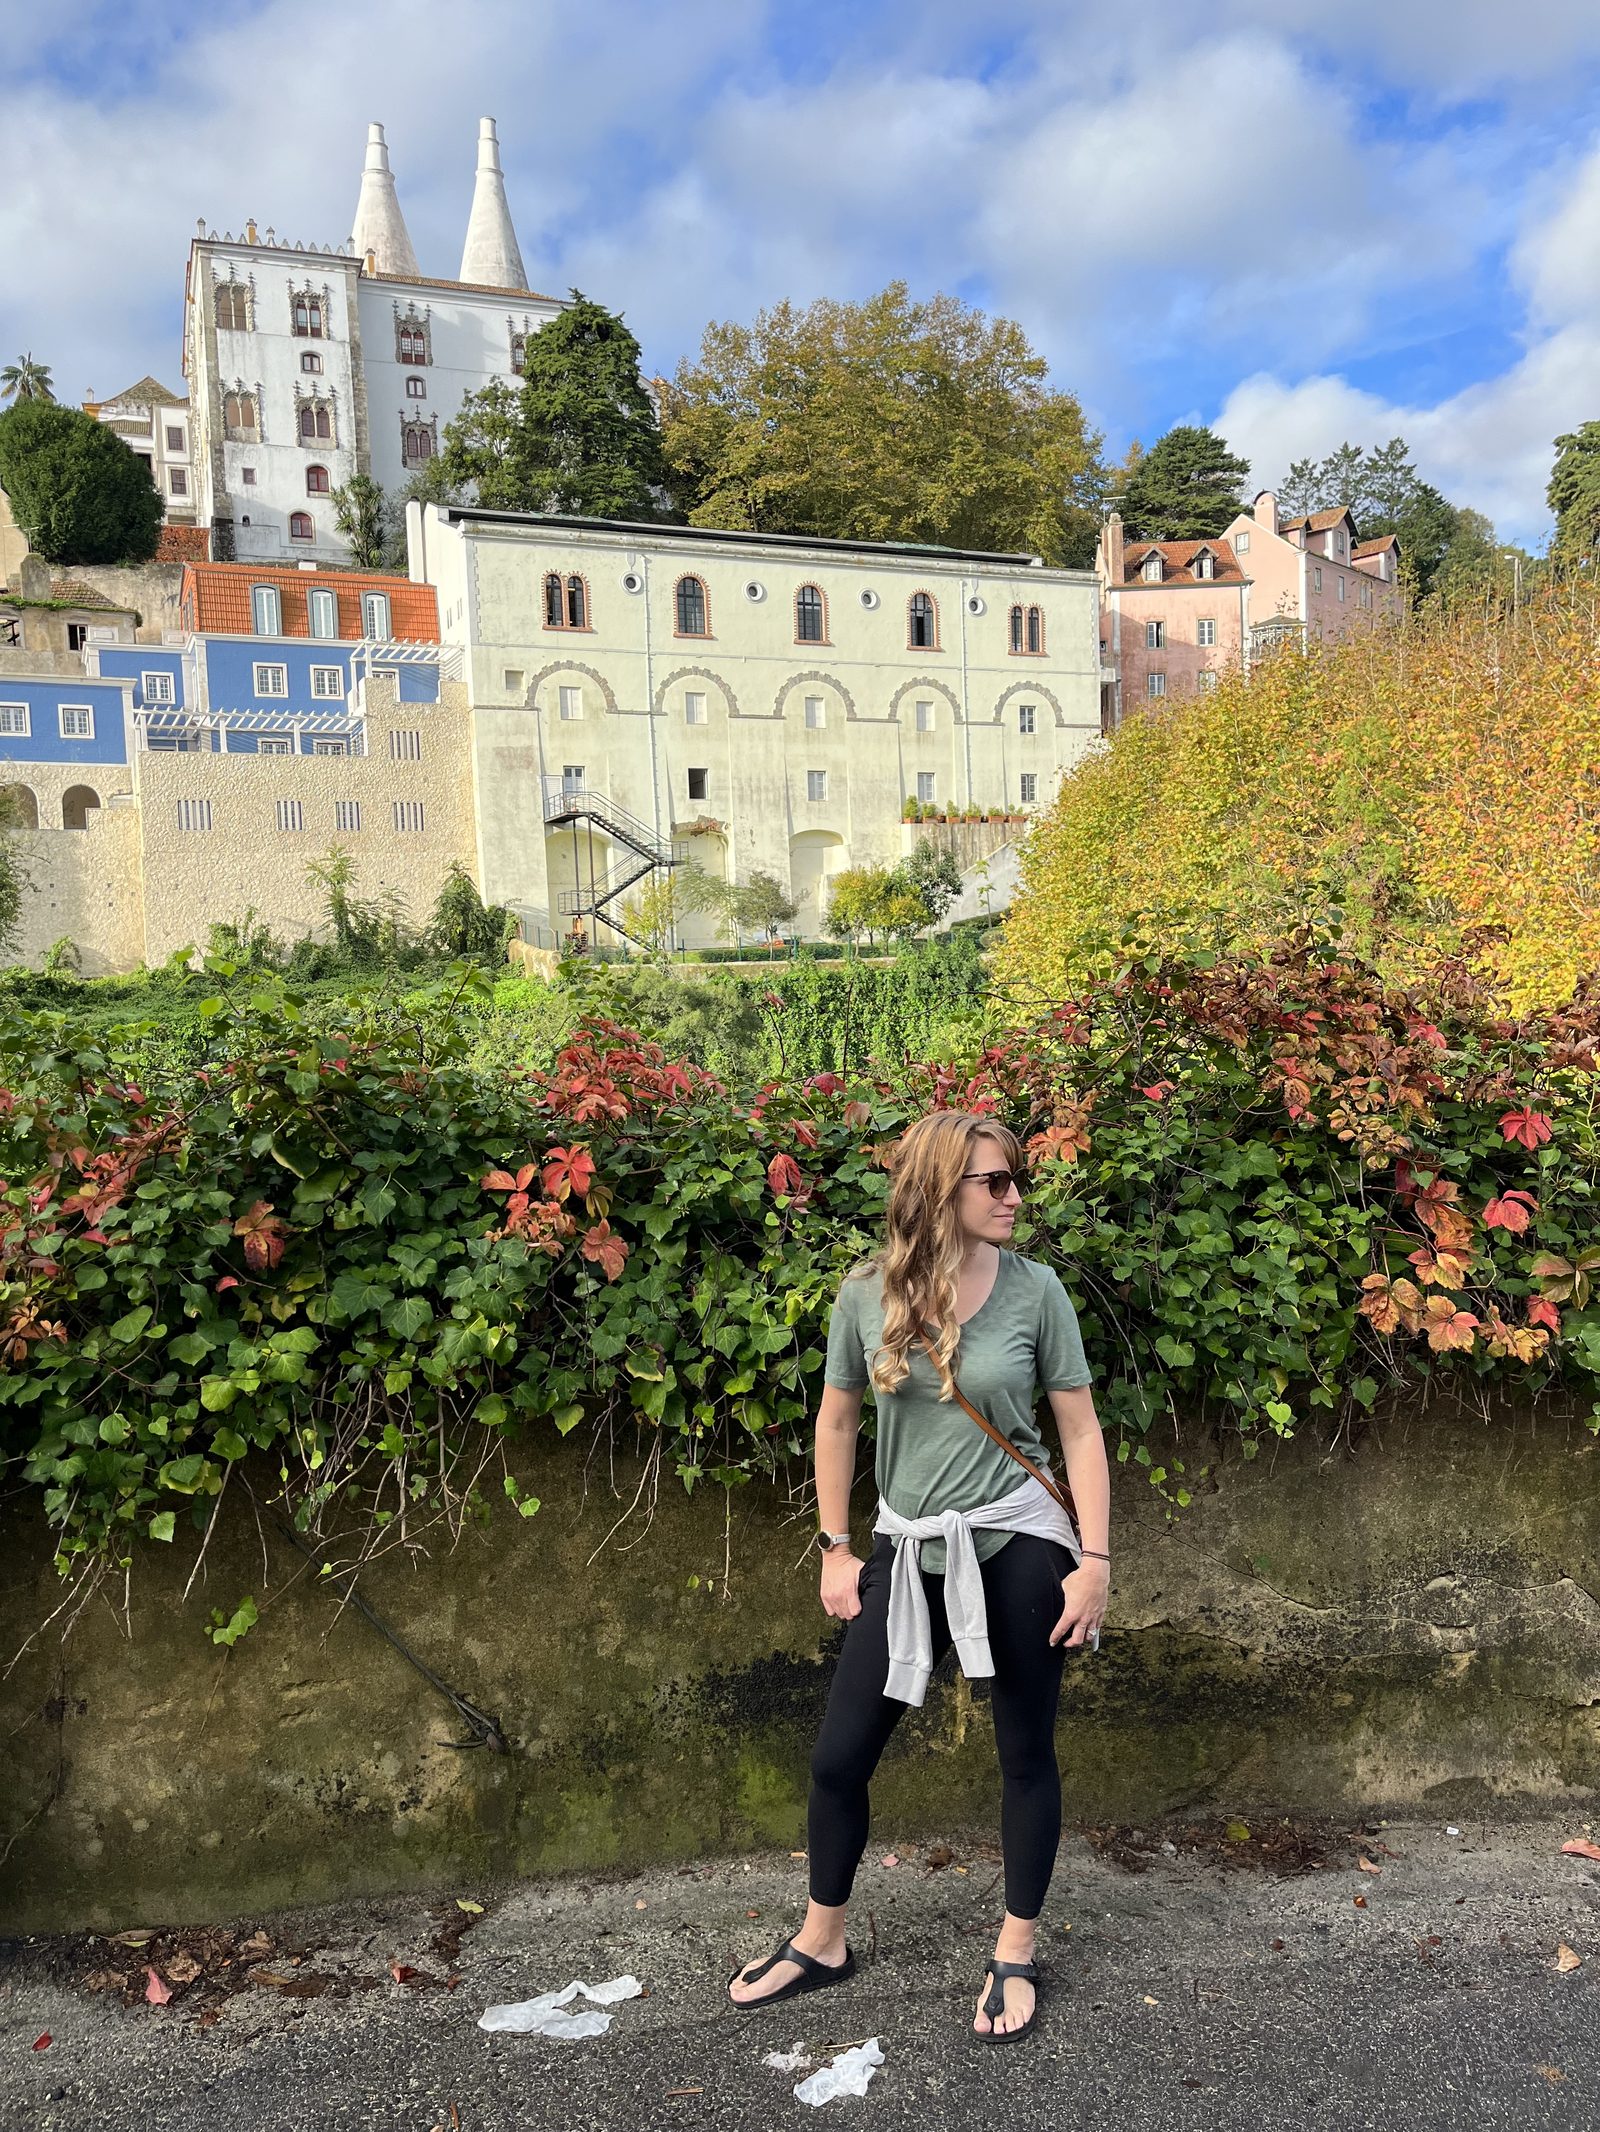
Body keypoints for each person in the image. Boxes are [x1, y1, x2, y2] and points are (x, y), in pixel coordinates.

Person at [728, 1110, 1111, 2042]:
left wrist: (1094, 1563)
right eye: (995, 1182)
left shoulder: (1037, 1292)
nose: (1015, 1197)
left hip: (1016, 1543)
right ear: (940, 1189)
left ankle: (1014, 1949)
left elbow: (1079, 1430)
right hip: (906, 1548)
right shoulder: (867, 1295)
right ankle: (823, 1940)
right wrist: (835, 1546)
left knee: (1024, 1754)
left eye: (1016, 1179)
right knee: (838, 1758)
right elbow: (835, 1422)